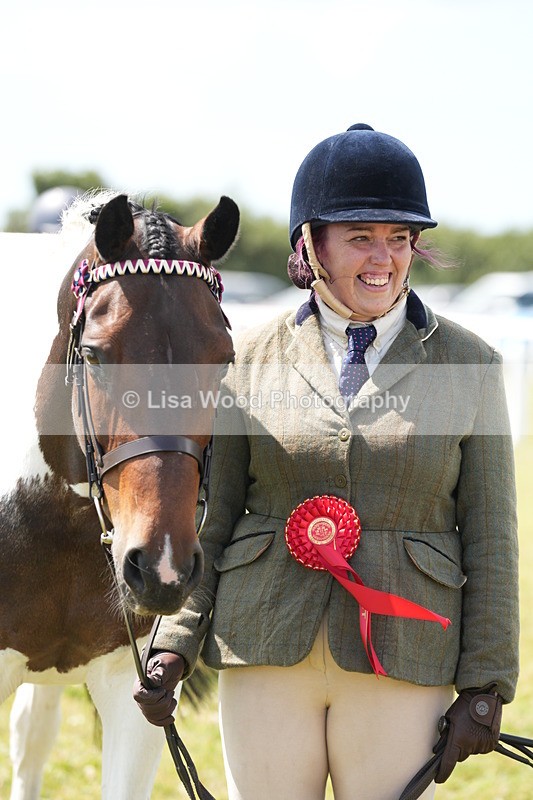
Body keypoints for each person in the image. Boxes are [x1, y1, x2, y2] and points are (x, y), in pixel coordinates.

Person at [133, 124, 519, 800]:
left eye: (398, 239)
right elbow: (212, 516)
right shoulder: (247, 359)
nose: (384, 259)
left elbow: (491, 536)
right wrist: (174, 641)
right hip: (264, 640)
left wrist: (486, 682)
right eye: (360, 237)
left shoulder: (470, 366)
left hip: (402, 653)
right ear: (309, 244)